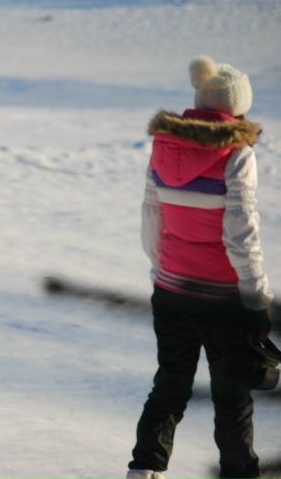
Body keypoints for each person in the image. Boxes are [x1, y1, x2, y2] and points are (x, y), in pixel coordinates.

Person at [127, 56, 274, 479]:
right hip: (224, 298)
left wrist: (162, 274)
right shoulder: (237, 154)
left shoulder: (164, 145)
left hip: (171, 290)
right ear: (237, 110)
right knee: (232, 396)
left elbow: (151, 217)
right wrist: (255, 298)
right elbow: (241, 233)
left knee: (170, 383)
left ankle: (144, 470)